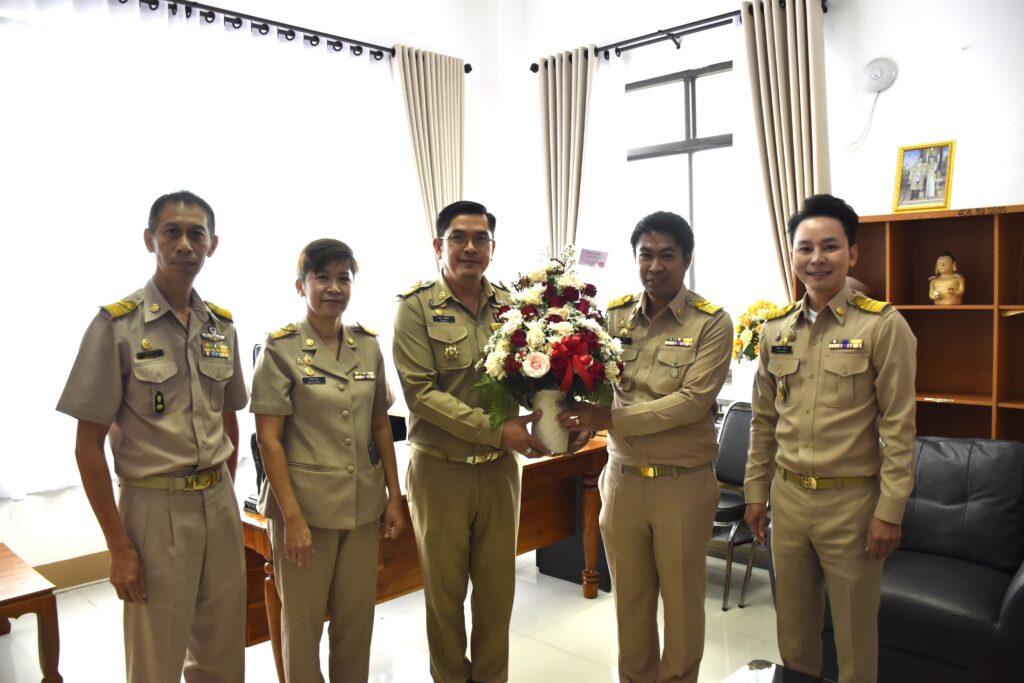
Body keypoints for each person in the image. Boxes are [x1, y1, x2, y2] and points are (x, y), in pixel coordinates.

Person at [56, 190, 248, 682]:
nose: (185, 245)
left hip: (218, 503)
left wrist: (222, 490)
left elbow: (228, 417)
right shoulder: (116, 326)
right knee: (155, 660)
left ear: (212, 245)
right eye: (172, 232)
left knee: (224, 651)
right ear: (150, 240)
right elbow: (86, 446)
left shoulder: (220, 326)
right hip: (154, 508)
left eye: (196, 234)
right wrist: (119, 547)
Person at [744, 194, 917, 683]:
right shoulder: (775, 330)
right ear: (793, 255)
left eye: (830, 247)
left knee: (855, 641)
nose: (816, 259)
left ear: (852, 254)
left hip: (852, 505)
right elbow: (763, 420)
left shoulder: (883, 326)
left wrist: (890, 510)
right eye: (805, 248)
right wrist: (756, 491)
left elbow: (899, 426)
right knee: (794, 635)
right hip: (788, 501)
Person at [556, 211, 733, 683]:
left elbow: (691, 402)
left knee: (682, 607)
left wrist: (607, 420)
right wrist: (576, 422)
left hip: (682, 485)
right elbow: (599, 385)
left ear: (687, 259)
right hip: (623, 482)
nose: (655, 267)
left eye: (667, 255)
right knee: (630, 605)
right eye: (646, 255)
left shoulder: (712, 323)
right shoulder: (615, 317)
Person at [393, 200, 551, 683]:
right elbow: (421, 396)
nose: (469, 247)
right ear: (438, 245)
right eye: (458, 238)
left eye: (480, 239)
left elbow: (531, 377)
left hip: (501, 470)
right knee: (444, 597)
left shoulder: (512, 307)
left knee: (498, 595)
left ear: (492, 248)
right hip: (441, 471)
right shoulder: (416, 307)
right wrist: (497, 429)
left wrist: (562, 415)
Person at [251, 238, 405, 682]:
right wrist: (292, 519)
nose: (334, 287)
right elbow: (269, 442)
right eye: (322, 277)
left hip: (361, 506)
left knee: (356, 623)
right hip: (306, 512)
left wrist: (394, 496)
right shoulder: (280, 349)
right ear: (301, 285)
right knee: (302, 627)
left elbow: (380, 425)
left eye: (344, 278)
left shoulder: (367, 345)